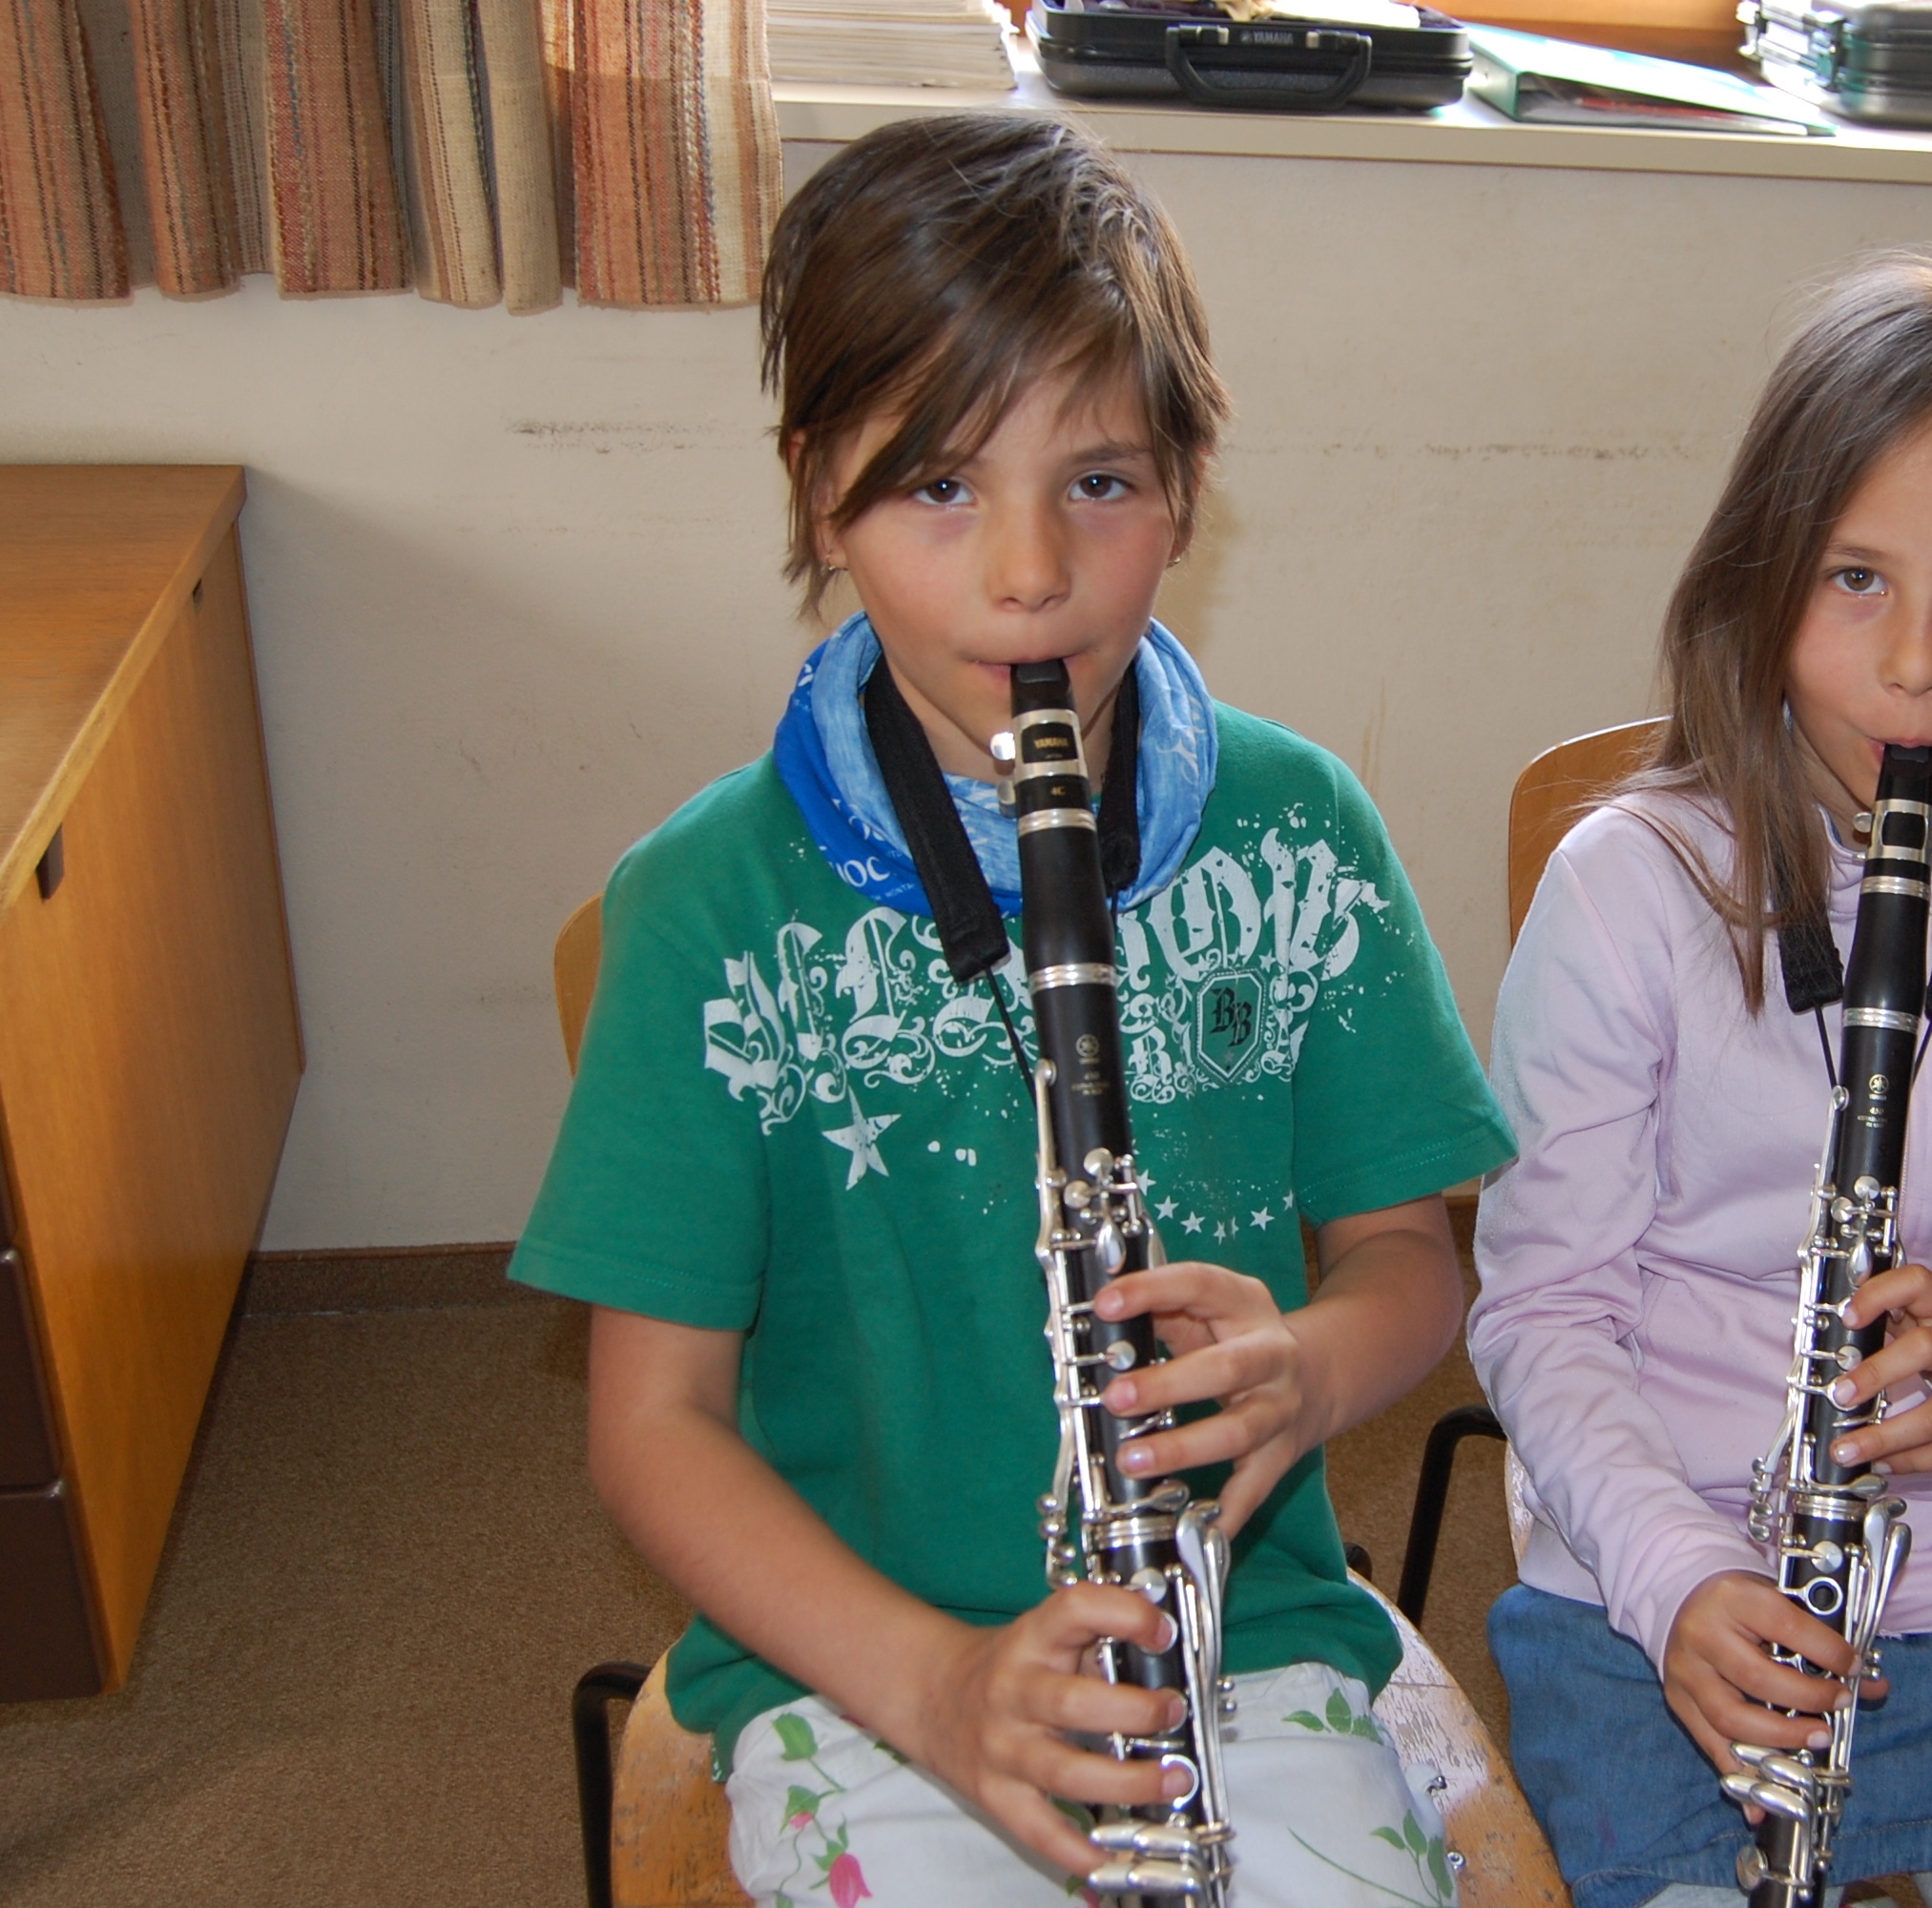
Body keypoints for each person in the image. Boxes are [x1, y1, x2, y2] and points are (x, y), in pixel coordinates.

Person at [510, 114, 1510, 1908]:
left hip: (1240, 1643)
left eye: (1100, 482)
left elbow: (1408, 1264)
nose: (1031, 571)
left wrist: (1307, 1367)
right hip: (861, 1675)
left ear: (1188, 485)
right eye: (940, 488)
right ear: (821, 493)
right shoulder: (708, 904)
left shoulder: (1299, 835)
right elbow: (650, 1427)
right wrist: (936, 1684)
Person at [1467, 256, 1932, 1908]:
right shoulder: (1631, 889)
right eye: (1857, 578)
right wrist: (1676, 1575)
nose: (1918, 667)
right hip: (1663, 1604)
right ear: (1758, 585)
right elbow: (1541, 1309)